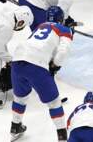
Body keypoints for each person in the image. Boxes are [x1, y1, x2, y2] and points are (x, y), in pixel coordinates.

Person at [9, 7, 73, 142]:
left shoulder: (40, 26)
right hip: (36, 64)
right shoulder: (64, 30)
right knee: (54, 103)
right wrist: (55, 65)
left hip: (17, 60)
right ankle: (62, 137)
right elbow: (63, 51)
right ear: (61, 19)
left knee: (20, 97)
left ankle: (15, 127)